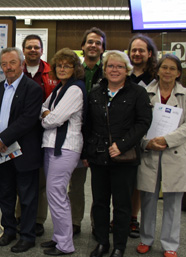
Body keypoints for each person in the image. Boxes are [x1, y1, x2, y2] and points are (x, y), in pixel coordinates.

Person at [83, 51, 152, 257]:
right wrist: (87, 152)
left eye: (119, 67)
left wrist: (121, 146)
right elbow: (87, 125)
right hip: (98, 157)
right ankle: (102, 242)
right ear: (104, 70)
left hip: (124, 158)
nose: (114, 70)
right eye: (110, 66)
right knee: (100, 203)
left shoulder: (138, 93)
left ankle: (119, 247)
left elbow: (143, 123)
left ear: (127, 70)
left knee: (122, 205)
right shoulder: (96, 92)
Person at [136, 54, 186, 257]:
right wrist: (146, 142)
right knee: (148, 198)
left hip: (175, 152)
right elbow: (138, 122)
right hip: (151, 151)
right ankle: (146, 239)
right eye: (164, 68)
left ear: (179, 73)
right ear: (158, 70)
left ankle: (170, 245)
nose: (168, 72)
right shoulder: (145, 93)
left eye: (172, 69)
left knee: (173, 201)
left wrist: (166, 139)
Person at [0, 47, 43, 253]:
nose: (8, 67)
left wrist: (4, 139)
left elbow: (27, 120)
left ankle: (27, 236)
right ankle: (9, 229)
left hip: (24, 152)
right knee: (6, 193)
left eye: (12, 63)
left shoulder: (33, 88)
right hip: (2, 153)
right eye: (4, 64)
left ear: (21, 64)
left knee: (27, 196)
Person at [40, 48, 86, 256]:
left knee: (56, 193)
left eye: (67, 65)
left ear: (75, 68)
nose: (62, 69)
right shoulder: (60, 88)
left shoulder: (75, 89)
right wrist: (47, 115)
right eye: (59, 65)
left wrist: (47, 116)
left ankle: (65, 244)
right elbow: (43, 109)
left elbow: (53, 119)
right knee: (54, 194)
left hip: (66, 147)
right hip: (52, 145)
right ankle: (59, 237)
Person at [70, 27, 107, 235]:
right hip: (78, 134)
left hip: (102, 135)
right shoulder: (75, 72)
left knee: (101, 186)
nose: (93, 45)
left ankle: (97, 223)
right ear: (83, 46)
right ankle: (75, 222)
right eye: (90, 42)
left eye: (98, 43)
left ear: (103, 49)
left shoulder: (109, 70)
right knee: (76, 184)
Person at [21, 34, 58, 237]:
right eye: (29, 47)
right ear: (23, 50)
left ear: (42, 50)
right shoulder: (18, 70)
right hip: (21, 131)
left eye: (36, 47)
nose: (33, 50)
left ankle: (37, 220)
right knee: (22, 176)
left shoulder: (52, 72)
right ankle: (21, 216)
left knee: (42, 180)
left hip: (45, 131)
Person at [127, 34, 158, 238]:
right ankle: (118, 216)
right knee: (122, 179)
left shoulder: (156, 77)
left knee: (139, 180)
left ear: (149, 53)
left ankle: (132, 218)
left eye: (141, 50)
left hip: (149, 134)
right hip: (125, 134)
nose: (137, 53)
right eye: (134, 50)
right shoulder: (123, 74)